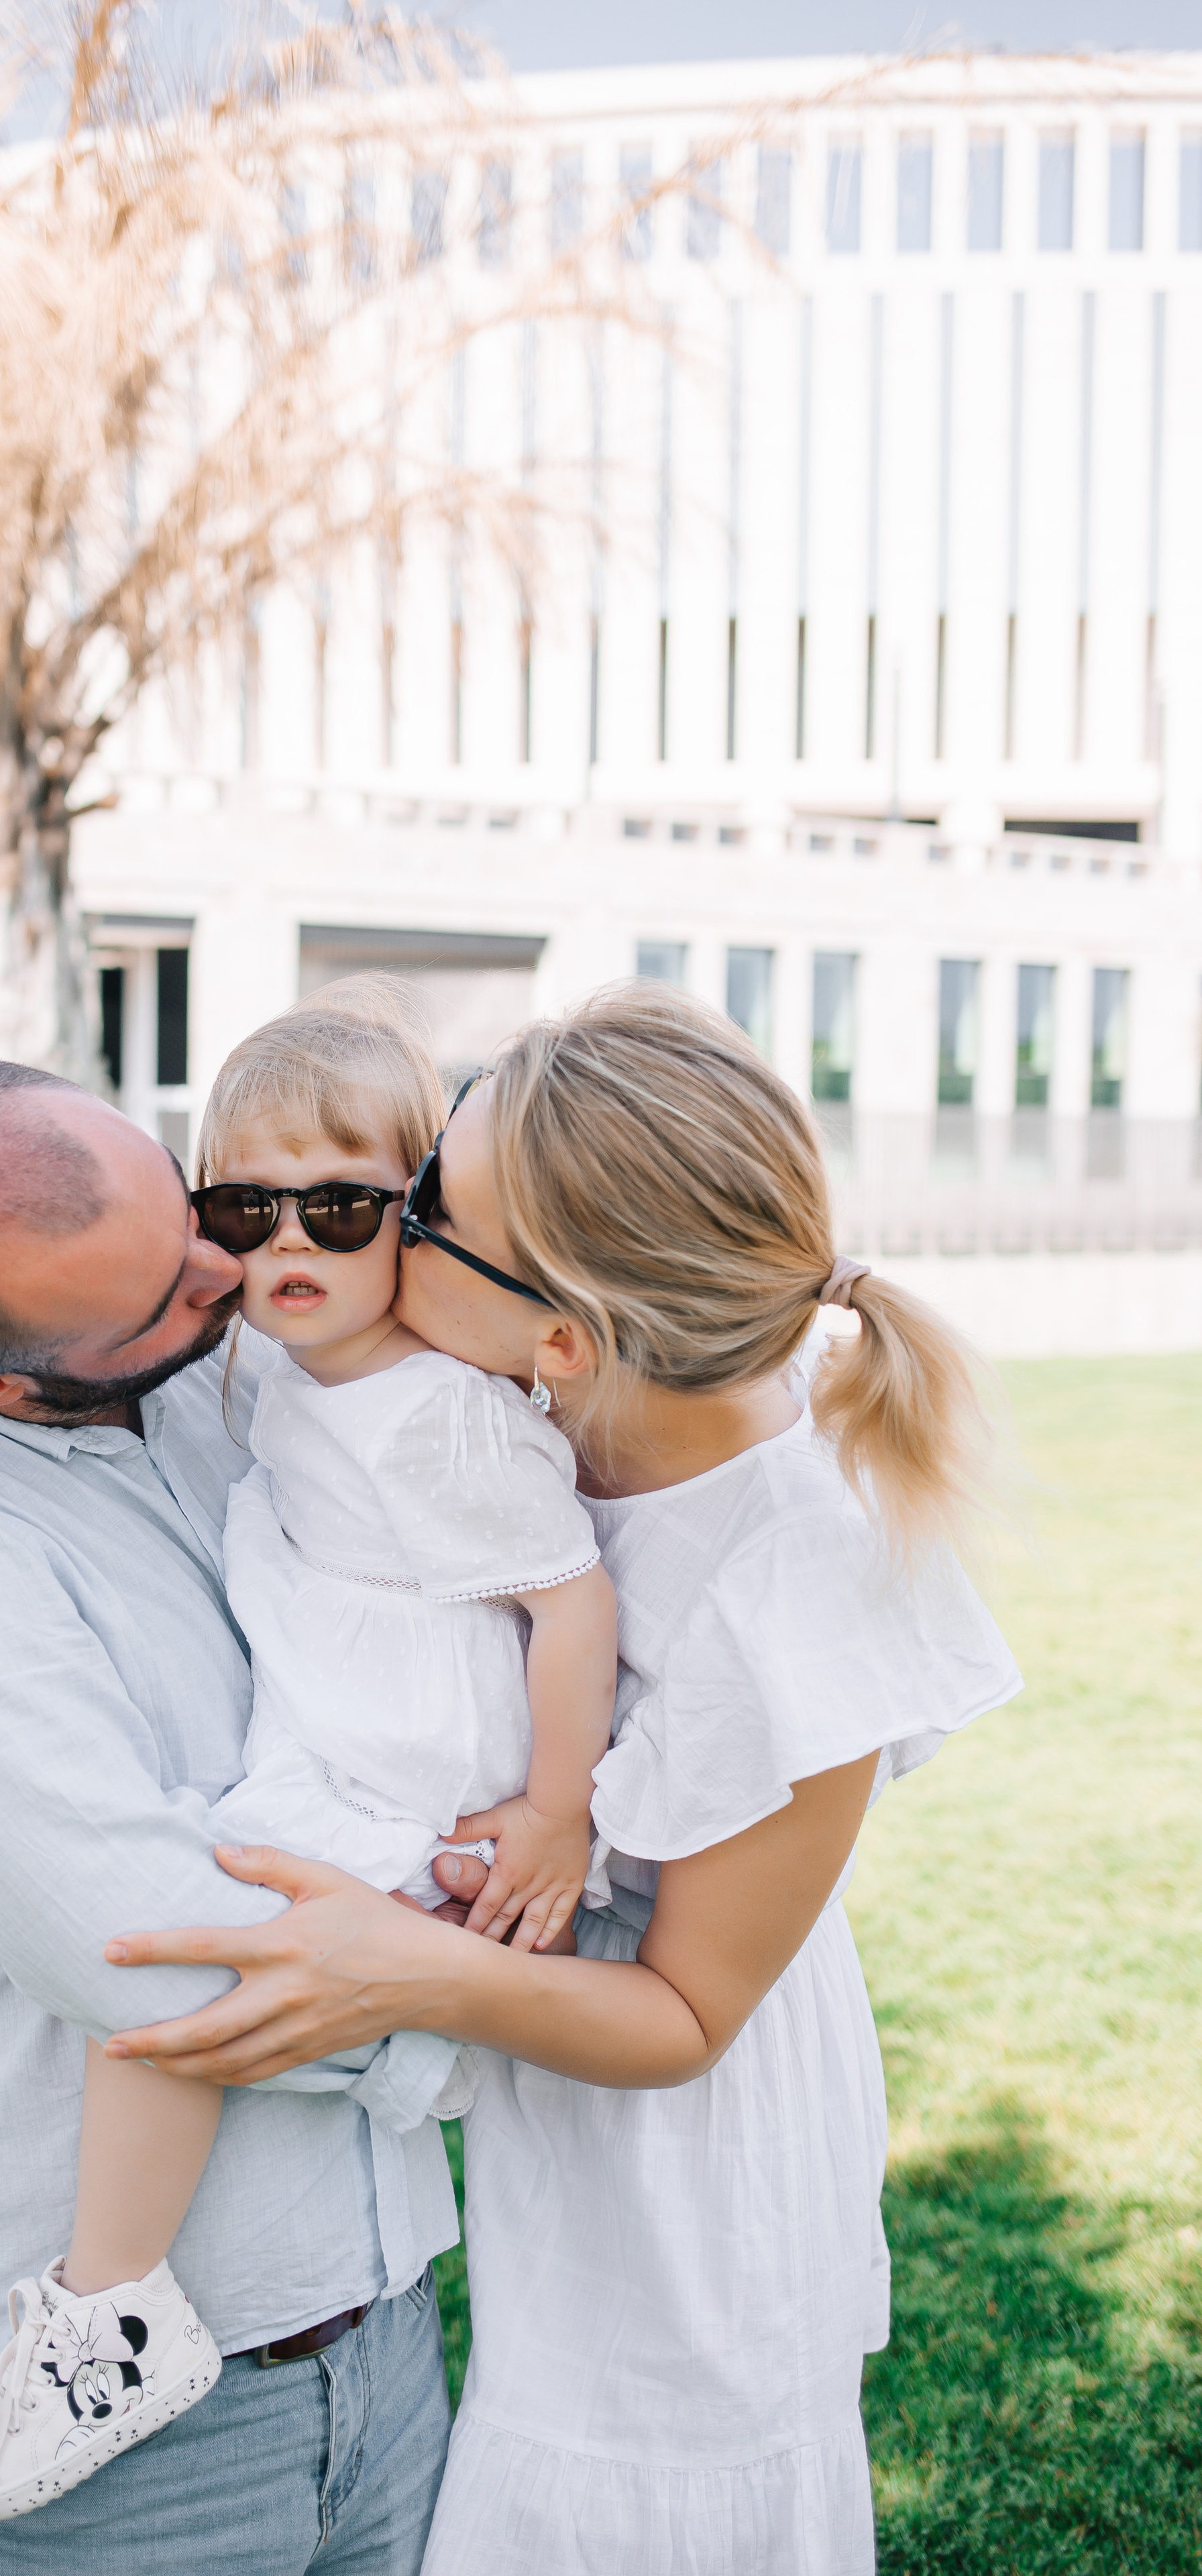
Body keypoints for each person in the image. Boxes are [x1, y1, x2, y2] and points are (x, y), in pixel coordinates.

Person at [95, 981, 1024, 2576]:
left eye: (420, 1209)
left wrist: (409, 1970)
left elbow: (687, 2016)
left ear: (564, 1333)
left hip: (689, 2189)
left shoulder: (793, 1576)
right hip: (556, 2096)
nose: (377, 1229)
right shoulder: (548, 1415)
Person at [0, 985, 620, 2527]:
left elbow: (571, 1605)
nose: (287, 1245)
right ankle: (122, 2297)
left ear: (417, 1214)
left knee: (172, 1987)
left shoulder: (439, 1418)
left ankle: (104, 2317)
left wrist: (555, 1812)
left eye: (340, 1210)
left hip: (402, 1768)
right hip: (327, 1744)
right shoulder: (272, 1370)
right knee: (167, 1973)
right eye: (242, 1209)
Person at [0, 1054, 456, 2576]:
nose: (228, 1274)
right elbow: (165, 1965)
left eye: (194, 1211)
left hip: (388, 2324)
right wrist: (533, 2011)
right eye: (161, 1299)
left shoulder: (221, 1380)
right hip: (114, 2449)